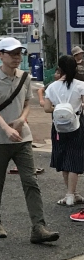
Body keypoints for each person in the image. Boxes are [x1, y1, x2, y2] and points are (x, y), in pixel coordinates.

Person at [0, 37, 58, 243]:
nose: (17, 57)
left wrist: (22, 119)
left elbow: (26, 104)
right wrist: (6, 128)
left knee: (31, 181)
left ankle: (39, 227)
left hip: (23, 138)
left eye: (19, 53)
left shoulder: (25, 77)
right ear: (1, 55)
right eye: (12, 53)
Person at [43, 55, 84, 208]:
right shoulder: (80, 85)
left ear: (59, 68)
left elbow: (47, 108)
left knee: (63, 157)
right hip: (77, 125)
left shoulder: (52, 87)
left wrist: (60, 109)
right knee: (75, 157)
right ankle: (71, 195)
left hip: (58, 127)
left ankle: (71, 194)